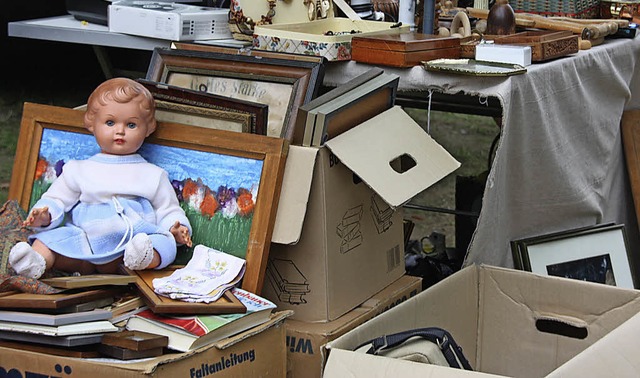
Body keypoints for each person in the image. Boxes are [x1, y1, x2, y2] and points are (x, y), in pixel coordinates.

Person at [9, 77, 192, 279]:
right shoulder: (78, 169)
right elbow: (56, 199)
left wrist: (176, 228)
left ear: (148, 128)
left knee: (163, 243)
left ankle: (144, 259)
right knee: (48, 240)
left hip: (129, 246)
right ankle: (36, 262)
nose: (120, 130)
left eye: (131, 124)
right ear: (92, 124)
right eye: (110, 122)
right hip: (84, 245)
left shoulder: (153, 174)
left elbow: (167, 208)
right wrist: (45, 214)